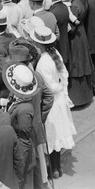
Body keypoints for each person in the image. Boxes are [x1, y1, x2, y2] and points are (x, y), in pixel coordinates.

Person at [29, 24, 76, 180]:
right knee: (55, 137)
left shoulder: (42, 63)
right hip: (60, 99)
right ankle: (57, 168)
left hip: (51, 104)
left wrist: (59, 86)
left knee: (50, 137)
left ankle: (53, 169)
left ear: (39, 44)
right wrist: (62, 85)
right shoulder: (55, 53)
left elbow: (49, 86)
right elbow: (64, 73)